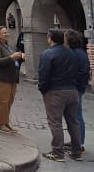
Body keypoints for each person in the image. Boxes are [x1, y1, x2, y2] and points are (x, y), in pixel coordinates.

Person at [38, 28, 82, 162]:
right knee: (73, 122)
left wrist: (43, 89)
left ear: (50, 38)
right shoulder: (73, 53)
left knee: (55, 122)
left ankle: (58, 152)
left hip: (55, 91)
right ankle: (76, 151)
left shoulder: (47, 53)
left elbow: (43, 74)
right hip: (72, 91)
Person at [0, 25, 23, 133]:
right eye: (4, 33)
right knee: (2, 101)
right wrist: (12, 57)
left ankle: (6, 121)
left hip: (11, 79)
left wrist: (20, 57)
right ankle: (0, 123)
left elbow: (12, 60)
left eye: (7, 32)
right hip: (1, 78)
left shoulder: (7, 46)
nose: (7, 34)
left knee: (9, 101)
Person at [64, 29, 90, 155]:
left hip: (74, 88)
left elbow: (79, 72)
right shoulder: (80, 52)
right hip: (78, 87)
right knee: (74, 116)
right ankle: (77, 141)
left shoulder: (73, 53)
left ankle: (79, 144)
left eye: (65, 38)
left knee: (76, 116)